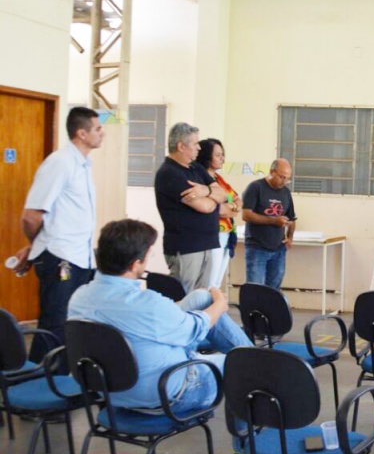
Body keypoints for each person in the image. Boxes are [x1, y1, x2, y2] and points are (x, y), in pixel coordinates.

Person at [67, 219, 251, 412]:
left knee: (201, 297)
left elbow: (149, 317)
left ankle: (255, 356)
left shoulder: (80, 296)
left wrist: (184, 306)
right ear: (135, 264)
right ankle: (260, 367)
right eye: (148, 255)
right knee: (244, 365)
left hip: (108, 392)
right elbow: (195, 330)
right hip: (166, 394)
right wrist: (220, 304)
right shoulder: (148, 304)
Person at [13, 107, 104, 362]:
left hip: (80, 256)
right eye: (98, 129)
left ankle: (63, 374)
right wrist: (37, 245)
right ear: (81, 133)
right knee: (55, 323)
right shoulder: (60, 162)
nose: (103, 133)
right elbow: (31, 216)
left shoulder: (83, 164)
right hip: (61, 256)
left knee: (74, 322)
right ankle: (40, 377)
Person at [154, 122, 227, 292]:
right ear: (181, 146)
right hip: (186, 247)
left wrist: (206, 190)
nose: (199, 148)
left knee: (201, 298)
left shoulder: (195, 167)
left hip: (206, 244)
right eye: (195, 144)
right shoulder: (170, 173)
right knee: (184, 298)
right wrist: (213, 197)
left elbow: (223, 193)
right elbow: (205, 207)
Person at [241, 158, 296, 290]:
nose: (284, 181)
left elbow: (292, 218)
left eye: (287, 179)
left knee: (273, 290)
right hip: (257, 248)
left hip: (278, 249)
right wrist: (274, 221)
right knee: (256, 289)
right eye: (281, 177)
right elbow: (246, 215)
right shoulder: (256, 187)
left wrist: (290, 237)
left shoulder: (286, 192)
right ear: (272, 172)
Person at [197, 138, 241, 289]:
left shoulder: (219, 179)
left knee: (217, 281)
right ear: (206, 156)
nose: (222, 158)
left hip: (227, 233)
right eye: (217, 155)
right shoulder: (201, 179)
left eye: (223, 154)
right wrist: (231, 207)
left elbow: (238, 201)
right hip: (212, 234)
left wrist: (231, 206)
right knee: (210, 281)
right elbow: (219, 210)